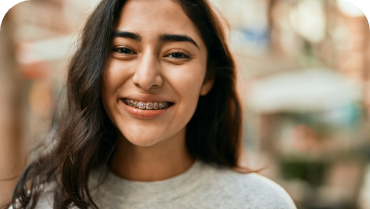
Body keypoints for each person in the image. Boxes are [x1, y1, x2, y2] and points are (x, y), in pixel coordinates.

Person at [3, 0, 297, 208]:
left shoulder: (262, 204)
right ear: (94, 68)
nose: (146, 78)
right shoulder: (42, 203)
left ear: (208, 77)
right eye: (123, 49)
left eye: (177, 54)